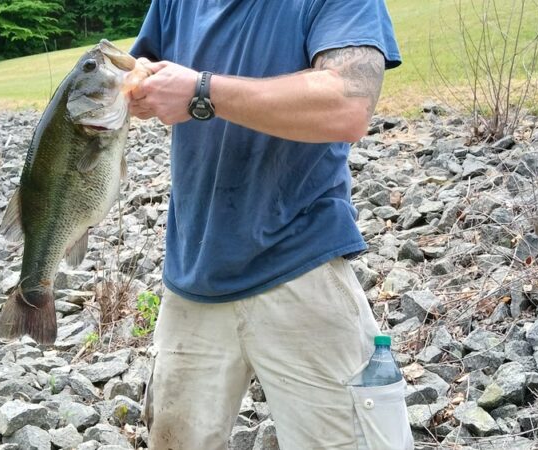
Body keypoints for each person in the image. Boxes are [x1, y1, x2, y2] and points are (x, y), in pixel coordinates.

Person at [126, 1, 404, 449]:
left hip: (301, 263)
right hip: (193, 279)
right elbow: (138, 72)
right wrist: (137, 84)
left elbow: (348, 105)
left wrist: (201, 92)